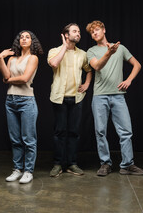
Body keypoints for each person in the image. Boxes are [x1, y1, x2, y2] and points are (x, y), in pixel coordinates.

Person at [86, 20, 143, 176]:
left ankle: (127, 165)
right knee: (100, 132)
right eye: (92, 32)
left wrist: (129, 80)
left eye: (97, 30)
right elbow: (97, 66)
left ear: (104, 30)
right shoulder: (91, 51)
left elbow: (137, 65)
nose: (95, 33)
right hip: (100, 96)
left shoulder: (120, 48)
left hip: (118, 96)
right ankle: (105, 163)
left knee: (126, 131)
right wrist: (108, 53)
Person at [0, 30, 43, 184]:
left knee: (28, 139)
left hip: (27, 101)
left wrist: (8, 80)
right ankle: (17, 169)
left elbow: (24, 79)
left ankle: (28, 171)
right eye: (21, 37)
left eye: (27, 37)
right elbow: (5, 76)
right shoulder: (11, 59)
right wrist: (0, 58)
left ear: (32, 41)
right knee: (15, 139)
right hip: (10, 101)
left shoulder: (33, 58)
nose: (24, 39)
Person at [47, 23, 92, 177]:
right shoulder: (54, 51)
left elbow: (89, 70)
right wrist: (64, 48)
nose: (78, 33)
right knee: (59, 132)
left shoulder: (83, 54)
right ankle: (58, 164)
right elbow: (54, 63)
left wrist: (86, 83)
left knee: (74, 132)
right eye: (74, 31)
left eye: (79, 31)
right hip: (59, 98)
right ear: (66, 35)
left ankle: (72, 164)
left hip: (76, 98)